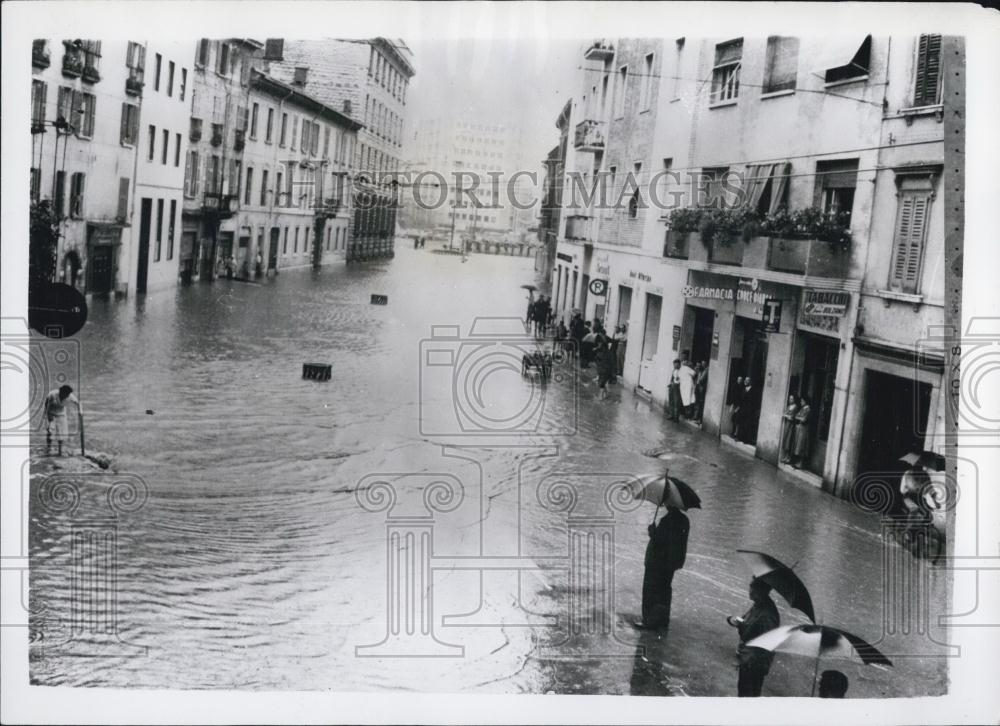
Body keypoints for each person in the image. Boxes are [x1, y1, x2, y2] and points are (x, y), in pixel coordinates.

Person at [633, 493, 690, 633]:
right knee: (664, 591)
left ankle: (649, 620)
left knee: (650, 591)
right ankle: (662, 620)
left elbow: (661, 543)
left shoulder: (667, 521)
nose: (664, 504)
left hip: (657, 563)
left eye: (666, 502)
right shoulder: (684, 520)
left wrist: (652, 532)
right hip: (670, 564)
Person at [727, 578, 780, 697]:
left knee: (748, 696)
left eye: (753, 588)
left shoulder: (768, 614)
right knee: (744, 693)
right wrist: (735, 621)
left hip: (754, 663)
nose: (750, 591)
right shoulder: (758, 604)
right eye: (751, 587)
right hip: (747, 659)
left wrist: (746, 660)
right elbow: (747, 622)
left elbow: (767, 643)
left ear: (762, 590)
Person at [44, 385, 80, 456]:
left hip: (61, 414)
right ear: (61, 392)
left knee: (61, 433)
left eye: (67, 395)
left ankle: (60, 451)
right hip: (51, 413)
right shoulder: (52, 394)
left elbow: (78, 403)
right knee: (50, 431)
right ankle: (49, 448)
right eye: (65, 395)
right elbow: (46, 405)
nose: (66, 396)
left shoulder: (70, 396)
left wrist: (80, 411)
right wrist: (46, 416)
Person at [790, 395, 812, 468]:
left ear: (805, 401)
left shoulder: (808, 410)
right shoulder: (803, 409)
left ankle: (800, 463)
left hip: (804, 430)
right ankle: (797, 462)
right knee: (798, 446)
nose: (801, 402)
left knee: (802, 446)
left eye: (802, 401)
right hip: (800, 429)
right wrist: (799, 417)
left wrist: (799, 418)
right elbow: (796, 416)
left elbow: (803, 419)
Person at [779, 395, 800, 464]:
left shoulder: (795, 407)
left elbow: (792, 417)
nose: (790, 400)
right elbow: (785, 413)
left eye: (791, 399)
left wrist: (787, 416)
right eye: (789, 398)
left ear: (794, 399)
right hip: (787, 425)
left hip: (791, 426)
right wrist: (787, 416)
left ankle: (788, 457)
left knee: (789, 440)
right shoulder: (789, 406)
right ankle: (784, 456)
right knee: (785, 439)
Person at [594, 333, 614, 400]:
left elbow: (603, 360)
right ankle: (606, 394)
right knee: (603, 382)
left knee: (601, 383)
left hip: (604, 369)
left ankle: (601, 397)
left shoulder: (605, 351)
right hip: (602, 369)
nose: (598, 344)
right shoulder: (602, 350)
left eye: (599, 343)